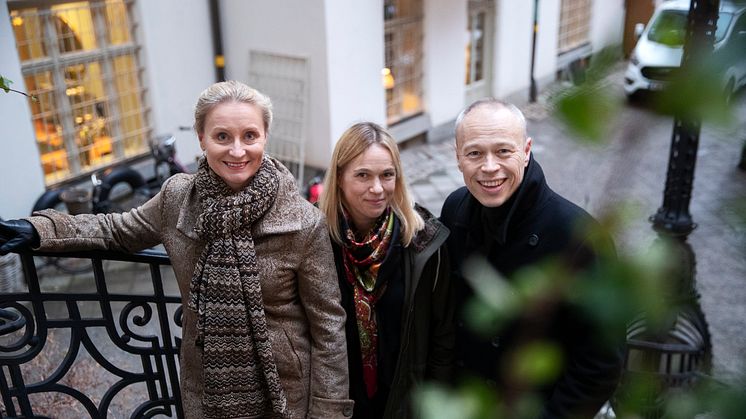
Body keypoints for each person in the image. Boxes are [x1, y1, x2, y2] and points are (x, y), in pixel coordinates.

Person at [0, 81, 353, 419]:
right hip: (207, 389)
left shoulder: (303, 222)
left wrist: (327, 410)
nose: (237, 150)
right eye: (221, 136)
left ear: (265, 137)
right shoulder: (177, 200)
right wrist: (39, 229)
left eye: (249, 136)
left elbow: (328, 326)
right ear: (201, 138)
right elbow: (116, 230)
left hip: (285, 394)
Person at [439, 99, 623, 418]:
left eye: (503, 151)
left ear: (526, 151)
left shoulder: (579, 237)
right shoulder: (454, 209)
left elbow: (599, 365)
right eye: (474, 153)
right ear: (458, 158)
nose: (489, 166)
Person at [318, 122, 454, 418]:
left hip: (404, 405)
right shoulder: (316, 243)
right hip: (341, 405)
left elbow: (442, 337)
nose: (377, 188)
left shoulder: (423, 243)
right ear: (340, 177)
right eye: (363, 175)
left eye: (387, 175)